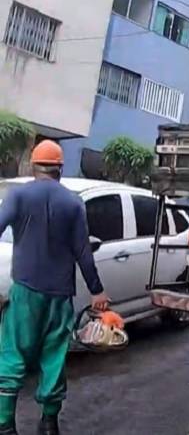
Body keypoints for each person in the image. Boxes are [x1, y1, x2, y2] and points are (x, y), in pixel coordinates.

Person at [0, 140, 110, 435]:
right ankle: (49, 423)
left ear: (33, 166)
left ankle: (5, 424)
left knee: (12, 354)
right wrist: (97, 290)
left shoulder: (17, 196)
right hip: (60, 296)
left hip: (25, 291)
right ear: (60, 168)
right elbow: (83, 252)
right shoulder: (73, 202)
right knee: (54, 356)